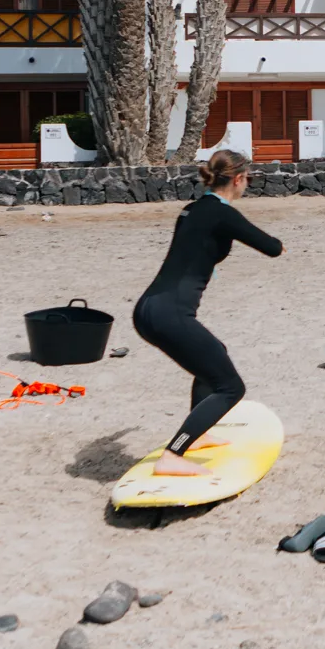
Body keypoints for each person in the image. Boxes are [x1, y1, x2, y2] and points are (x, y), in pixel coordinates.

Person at [133, 150, 284, 478]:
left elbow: (195, 250)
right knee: (231, 387)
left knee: (212, 362)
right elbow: (271, 247)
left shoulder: (190, 210)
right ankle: (173, 455)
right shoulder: (221, 213)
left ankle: (196, 436)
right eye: (248, 179)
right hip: (169, 314)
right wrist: (280, 244)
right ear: (240, 179)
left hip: (148, 309)